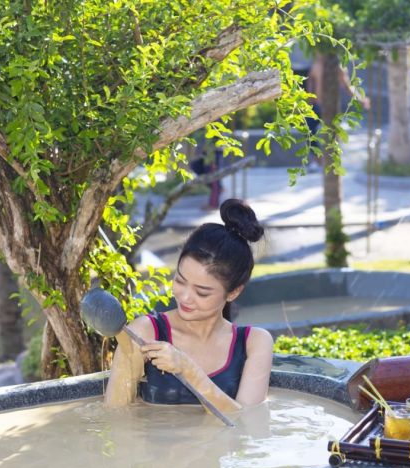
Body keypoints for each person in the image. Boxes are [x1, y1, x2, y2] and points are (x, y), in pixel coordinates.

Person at [105, 198, 274, 412]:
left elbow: (247, 425)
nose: (184, 297)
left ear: (234, 292)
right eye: (180, 280)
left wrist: (189, 371)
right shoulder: (144, 333)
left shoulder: (254, 343)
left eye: (201, 292)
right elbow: (115, 418)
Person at [305, 54, 371, 172]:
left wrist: (361, 100)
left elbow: (347, 87)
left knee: (332, 135)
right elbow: (311, 83)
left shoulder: (337, 67)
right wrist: (308, 103)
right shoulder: (316, 65)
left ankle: (332, 162)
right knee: (308, 130)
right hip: (316, 106)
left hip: (330, 106)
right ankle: (317, 160)